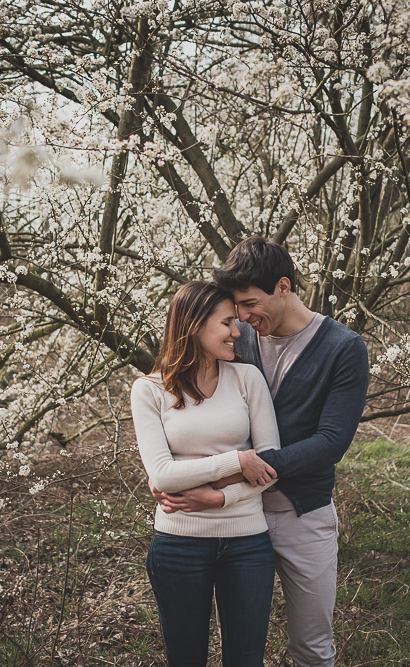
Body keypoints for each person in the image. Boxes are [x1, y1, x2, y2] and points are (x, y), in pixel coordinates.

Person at [157, 237, 369, 667]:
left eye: (251, 304)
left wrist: (233, 477)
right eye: (236, 310)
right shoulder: (239, 340)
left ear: (284, 286)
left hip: (300, 513)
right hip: (234, 522)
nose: (244, 319)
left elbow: (331, 442)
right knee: (236, 646)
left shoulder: (343, 348)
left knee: (311, 647)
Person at [130, 280, 283, 667]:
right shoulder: (149, 390)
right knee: (185, 659)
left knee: (246, 661)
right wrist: (237, 462)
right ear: (194, 326)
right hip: (178, 545)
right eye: (227, 323)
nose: (238, 331)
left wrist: (221, 497)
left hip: (248, 543)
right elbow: (162, 476)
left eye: (236, 322)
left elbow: (271, 467)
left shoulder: (248, 379)